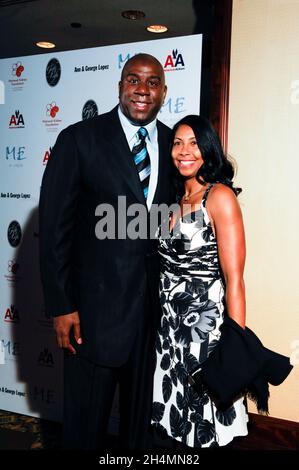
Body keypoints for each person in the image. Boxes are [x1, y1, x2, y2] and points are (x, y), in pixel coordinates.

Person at [39, 53, 172, 450]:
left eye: (152, 82)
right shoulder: (79, 139)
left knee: (138, 434)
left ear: (164, 92)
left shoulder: (175, 144)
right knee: (84, 430)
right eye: (134, 79)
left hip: (151, 322)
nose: (142, 90)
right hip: (92, 319)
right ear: (120, 87)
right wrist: (62, 306)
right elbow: (53, 230)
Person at [151, 115, 249, 448]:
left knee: (205, 428)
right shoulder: (172, 202)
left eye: (193, 142)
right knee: (174, 427)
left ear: (207, 149)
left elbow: (234, 279)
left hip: (205, 333)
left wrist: (235, 347)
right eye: (177, 143)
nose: (184, 151)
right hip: (168, 334)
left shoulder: (218, 197)